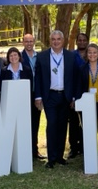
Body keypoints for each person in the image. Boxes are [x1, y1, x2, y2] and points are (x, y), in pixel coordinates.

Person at [34, 30, 79, 169]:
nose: (56, 41)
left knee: (62, 126)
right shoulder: (42, 56)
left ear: (63, 40)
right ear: (50, 40)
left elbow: (74, 78)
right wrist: (38, 96)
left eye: (58, 39)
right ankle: (51, 158)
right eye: (53, 39)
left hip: (65, 96)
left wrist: (73, 97)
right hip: (50, 96)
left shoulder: (71, 56)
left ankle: (60, 156)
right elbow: (39, 78)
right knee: (52, 124)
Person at [21, 33, 45, 160]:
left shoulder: (39, 57)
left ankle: (35, 151)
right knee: (24, 124)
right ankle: (24, 150)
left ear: (34, 42)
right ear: (23, 42)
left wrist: (39, 96)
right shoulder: (18, 57)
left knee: (35, 123)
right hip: (24, 95)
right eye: (26, 41)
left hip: (37, 95)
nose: (29, 43)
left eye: (31, 41)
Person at [67, 32, 89, 158]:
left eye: (84, 40)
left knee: (87, 121)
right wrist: (73, 97)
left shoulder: (91, 54)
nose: (81, 42)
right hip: (74, 93)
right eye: (79, 40)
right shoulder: (71, 56)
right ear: (76, 42)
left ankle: (85, 146)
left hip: (88, 93)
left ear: (87, 41)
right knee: (74, 122)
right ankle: (73, 147)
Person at [0, 47, 34, 124]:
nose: (13, 57)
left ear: (19, 56)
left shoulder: (27, 69)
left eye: (15, 55)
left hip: (23, 101)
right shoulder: (4, 71)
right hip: (9, 102)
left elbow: (30, 86)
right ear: (8, 58)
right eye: (11, 56)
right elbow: (2, 87)